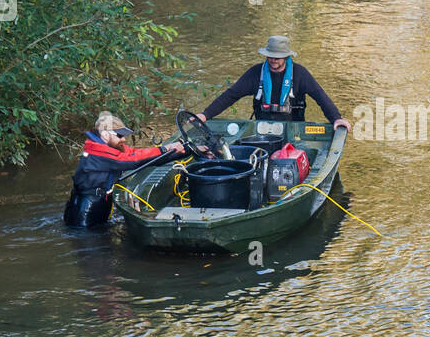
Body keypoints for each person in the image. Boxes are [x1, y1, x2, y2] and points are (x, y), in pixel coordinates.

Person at [195, 35, 351, 128]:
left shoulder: (300, 73)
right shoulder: (256, 73)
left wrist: (336, 118)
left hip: (294, 129)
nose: (273, 60)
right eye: (270, 56)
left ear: (286, 57)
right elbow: (231, 95)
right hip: (262, 129)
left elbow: (320, 96)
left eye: (277, 57)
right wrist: (205, 115)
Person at [63, 112, 184, 227]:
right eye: (120, 135)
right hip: (86, 208)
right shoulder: (99, 152)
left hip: (101, 200)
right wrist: (164, 149)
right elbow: (132, 160)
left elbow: (139, 155)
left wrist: (182, 152)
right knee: (90, 241)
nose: (124, 139)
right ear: (105, 135)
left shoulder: (110, 148)